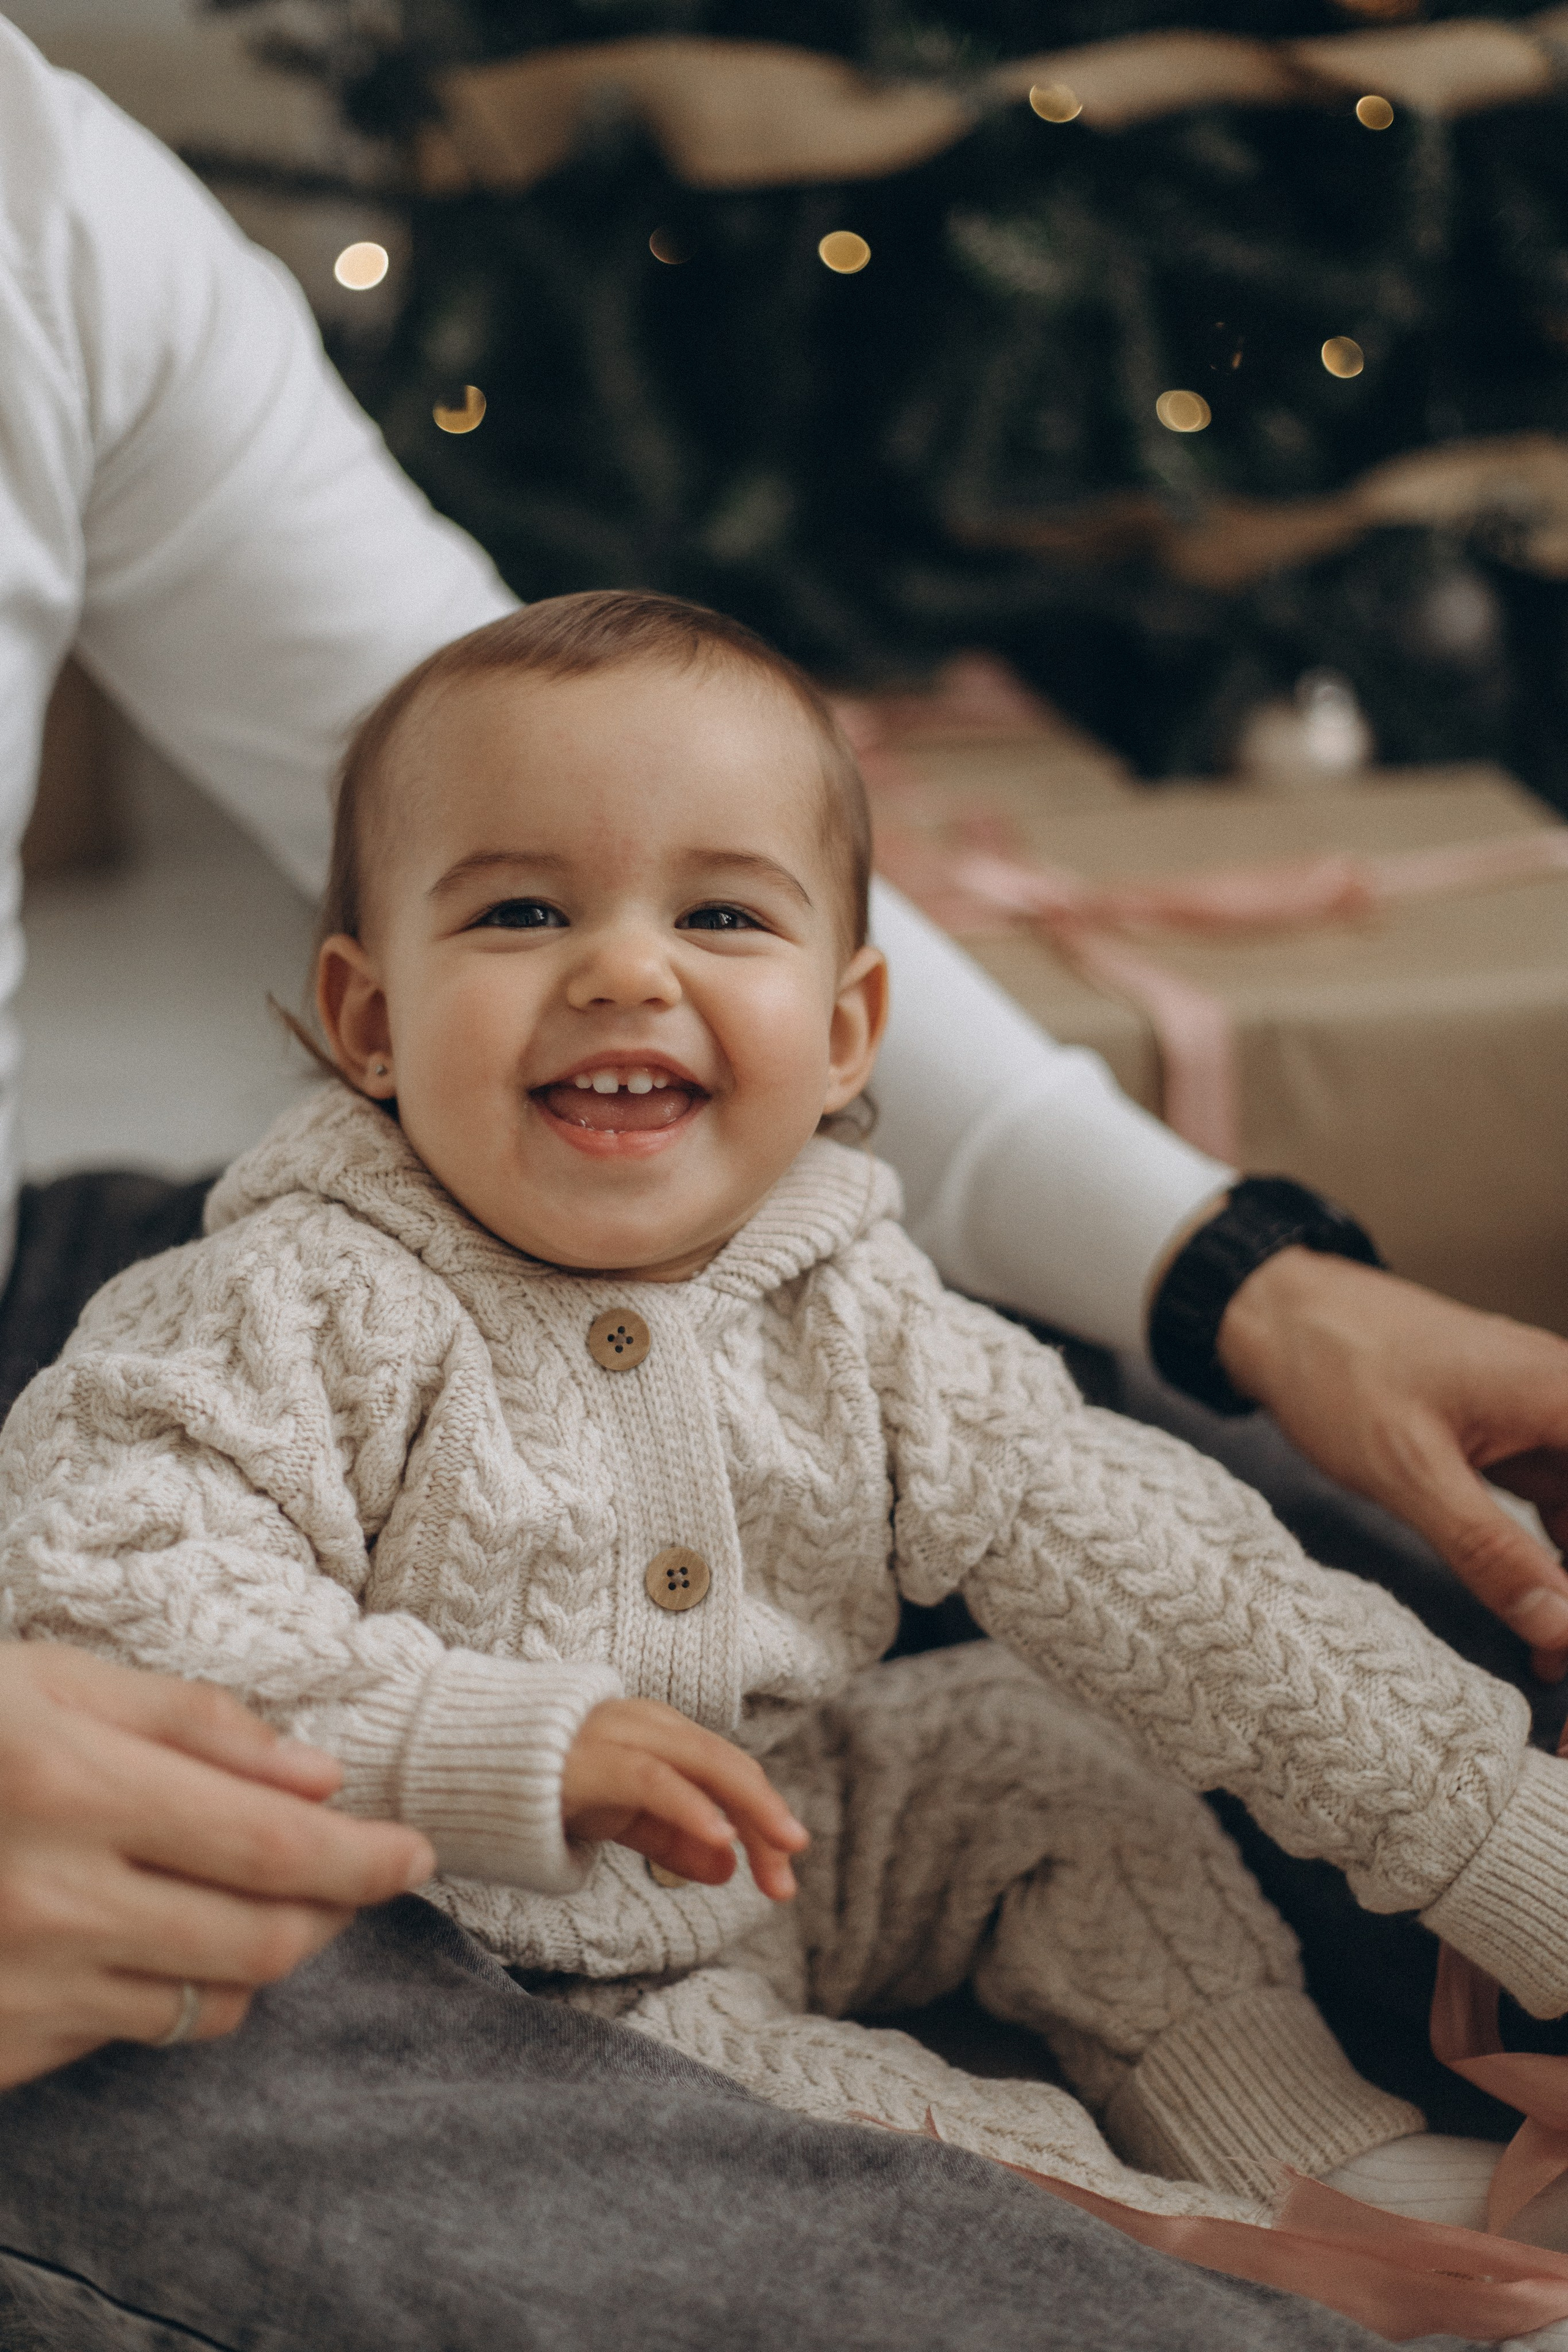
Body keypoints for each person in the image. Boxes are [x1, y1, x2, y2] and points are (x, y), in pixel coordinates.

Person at [0, 13, 1559, 2346]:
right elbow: (118, 1589)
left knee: (1129, 1710)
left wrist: (1509, 1843)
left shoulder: (848, 1288)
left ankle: (1311, 2139)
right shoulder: (277, 1311)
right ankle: (1137, 2248)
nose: (622, 971)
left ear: (848, 1047)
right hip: (519, 1917)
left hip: (816, 1817)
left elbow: (1184, 1591)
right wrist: (494, 1748)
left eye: (716, 928)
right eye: (520, 921)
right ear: (359, 1023)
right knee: (705, 2114)